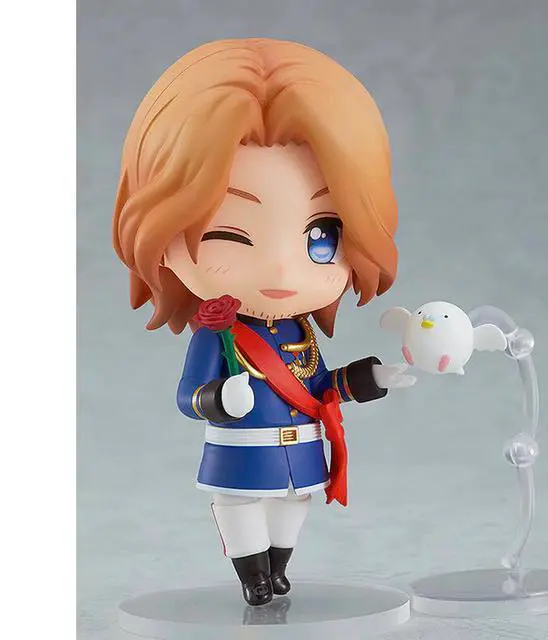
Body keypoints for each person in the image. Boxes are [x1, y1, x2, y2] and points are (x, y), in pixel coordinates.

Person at [112, 38, 415, 606]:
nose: (279, 268)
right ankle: (253, 575)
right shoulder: (217, 332)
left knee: (293, 505)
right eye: (228, 234)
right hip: (241, 452)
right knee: (240, 507)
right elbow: (187, 396)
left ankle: (277, 569)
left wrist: (371, 378)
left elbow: (320, 385)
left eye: (321, 237)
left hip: (300, 450)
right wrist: (217, 399)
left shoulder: (299, 331)